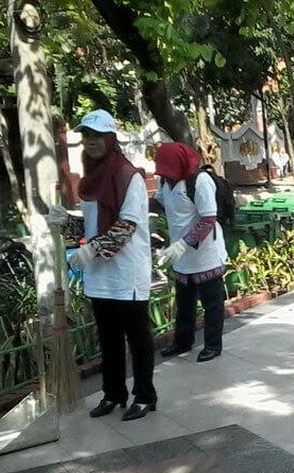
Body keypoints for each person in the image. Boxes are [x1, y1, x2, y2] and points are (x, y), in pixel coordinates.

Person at [48, 109, 157, 421]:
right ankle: (114, 393)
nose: (91, 142)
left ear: (110, 138)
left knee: (137, 338)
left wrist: (92, 248)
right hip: (99, 273)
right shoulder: (91, 178)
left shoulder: (128, 176)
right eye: (87, 136)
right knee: (107, 337)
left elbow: (127, 225)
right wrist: (66, 222)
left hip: (127, 272)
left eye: (97, 136)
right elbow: (92, 226)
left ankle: (145, 395)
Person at [153, 142, 228, 363]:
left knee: (212, 303)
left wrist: (184, 243)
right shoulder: (165, 181)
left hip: (205, 254)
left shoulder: (200, 181)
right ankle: (182, 341)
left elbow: (208, 219)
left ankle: (213, 345)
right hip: (181, 256)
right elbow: (161, 204)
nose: (168, 176)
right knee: (184, 303)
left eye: (170, 171)